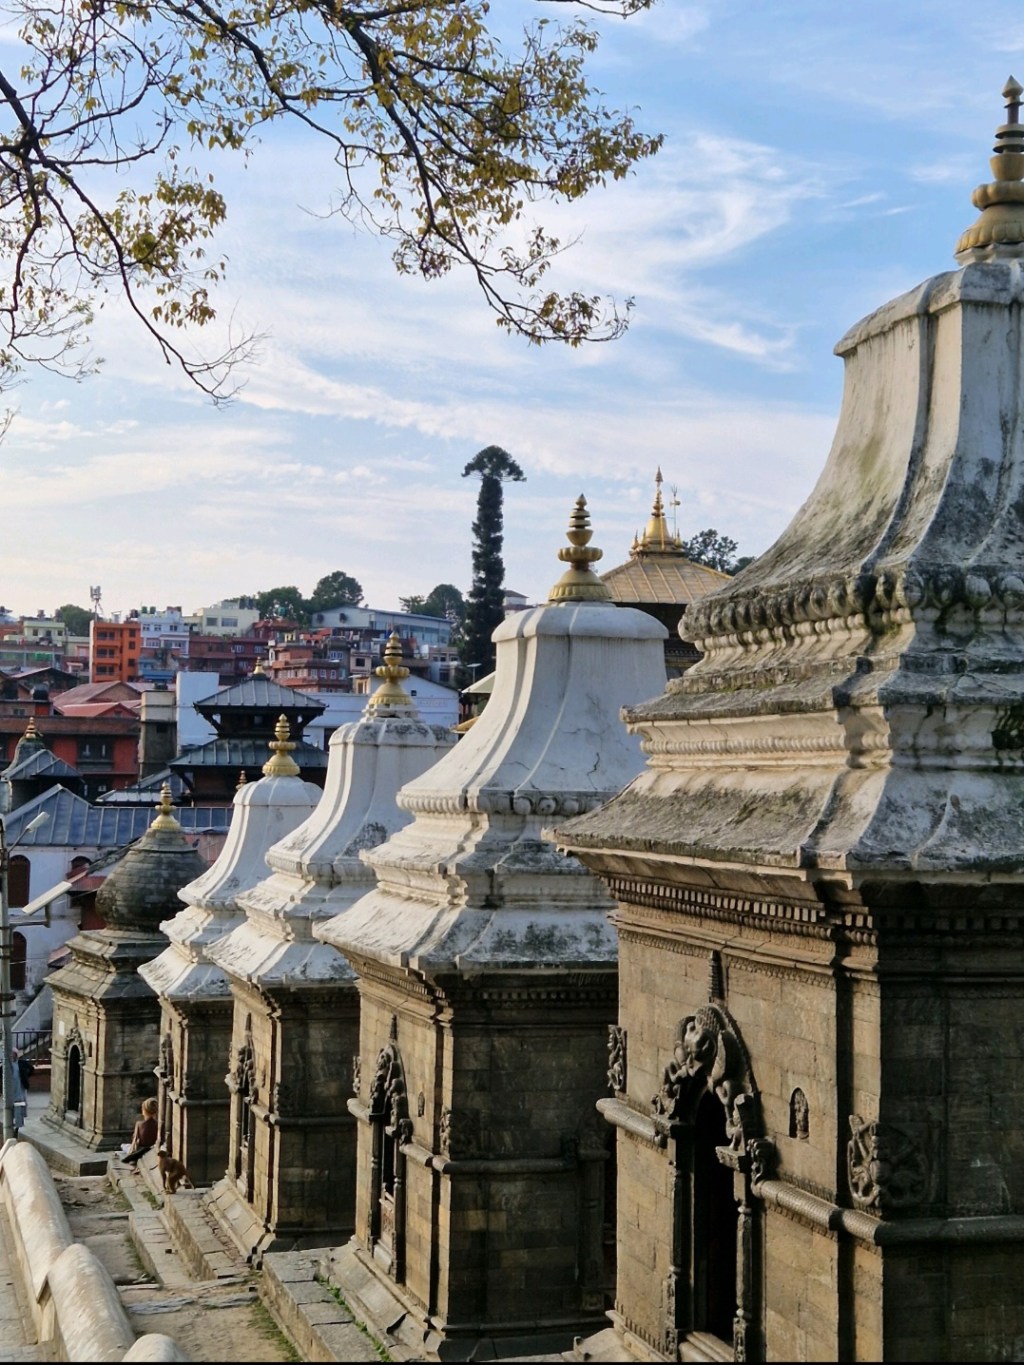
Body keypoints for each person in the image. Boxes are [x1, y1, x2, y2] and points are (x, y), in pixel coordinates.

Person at [120, 1097, 158, 1166]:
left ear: (144, 1111)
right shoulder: (158, 1124)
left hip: (141, 1149)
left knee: (123, 1146)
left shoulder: (139, 1124)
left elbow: (135, 1142)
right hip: (152, 1149)